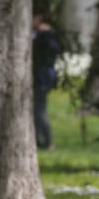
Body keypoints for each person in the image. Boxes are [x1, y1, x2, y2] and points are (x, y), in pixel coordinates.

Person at [32, 14, 61, 150]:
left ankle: (46, 141)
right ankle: (40, 139)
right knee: (37, 109)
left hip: (41, 78)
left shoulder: (44, 36)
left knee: (39, 110)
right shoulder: (47, 35)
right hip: (43, 76)